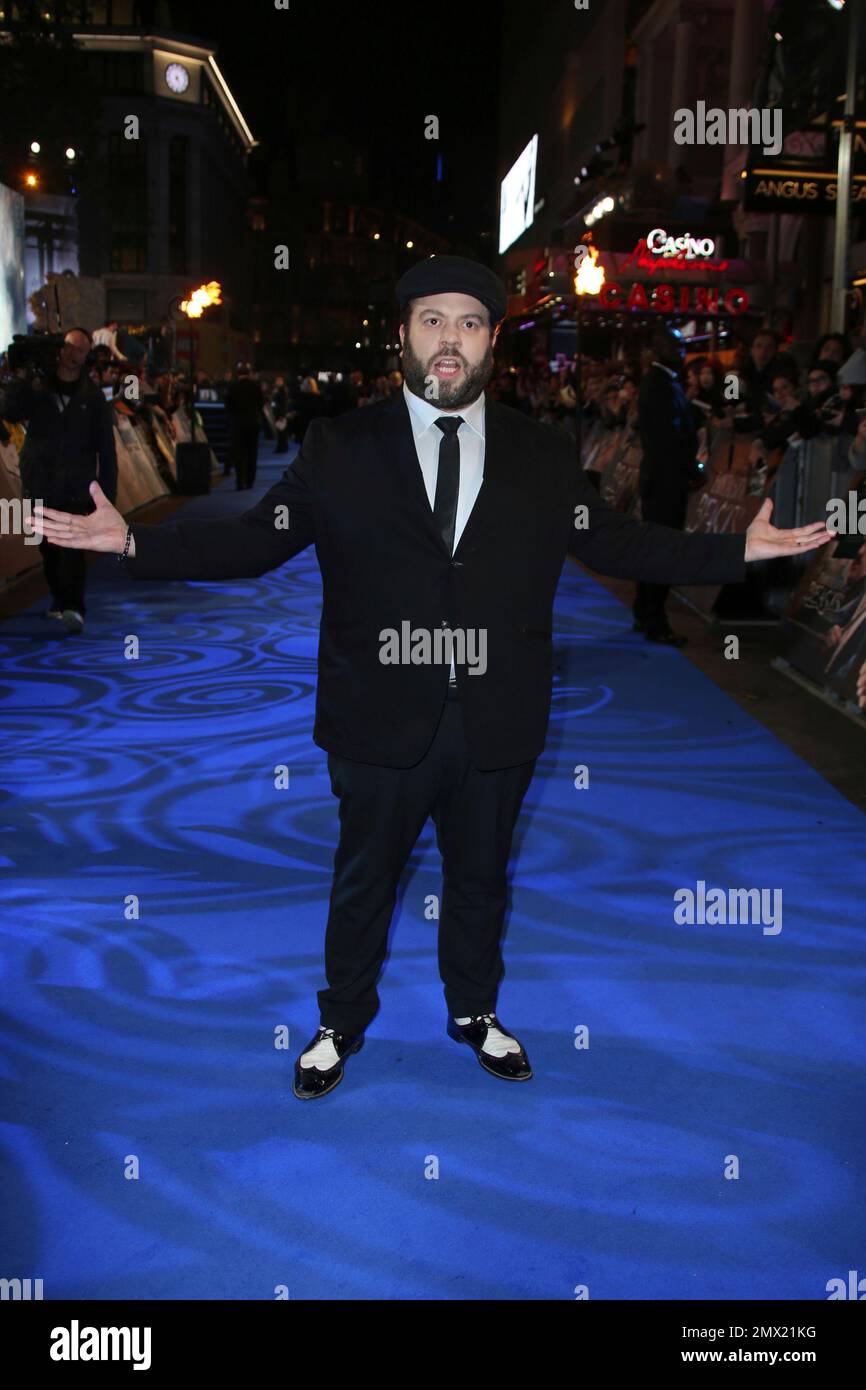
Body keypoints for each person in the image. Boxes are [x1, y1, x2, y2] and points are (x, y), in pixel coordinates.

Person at [31, 256, 833, 1100]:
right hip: (378, 711)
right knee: (364, 875)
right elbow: (258, 538)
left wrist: (738, 549)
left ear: (492, 343)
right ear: (403, 335)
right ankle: (340, 1021)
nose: (450, 341)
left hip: (498, 712)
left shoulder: (539, 449)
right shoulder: (340, 445)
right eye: (432, 321)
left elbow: (620, 543)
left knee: (482, 876)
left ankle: (474, 1011)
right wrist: (132, 543)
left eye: (470, 323)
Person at [1, 327, 117, 634]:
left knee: (71, 546)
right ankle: (58, 599)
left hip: (76, 484)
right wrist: (26, 378)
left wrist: (109, 496)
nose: (73, 355)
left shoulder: (92, 398)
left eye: (80, 350)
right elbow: (9, 410)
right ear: (60, 350)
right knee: (46, 545)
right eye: (69, 347)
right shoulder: (38, 385)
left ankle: (74, 606)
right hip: (40, 479)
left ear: (86, 357)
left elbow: (106, 448)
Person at [632, 326, 702, 646]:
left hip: (662, 478)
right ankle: (654, 619)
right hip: (665, 480)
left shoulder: (661, 384)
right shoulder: (660, 386)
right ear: (664, 350)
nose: (684, 352)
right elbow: (670, 438)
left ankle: (646, 612)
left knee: (655, 547)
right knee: (662, 547)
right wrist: (690, 469)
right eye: (678, 346)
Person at [225, 362, 263, 490]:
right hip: (253, 423)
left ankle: (239, 481)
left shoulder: (232, 387)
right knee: (252, 453)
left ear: (238, 374)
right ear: (249, 373)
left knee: (239, 453)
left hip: (237, 424)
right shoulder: (255, 386)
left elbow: (228, 406)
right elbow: (261, 403)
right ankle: (250, 481)